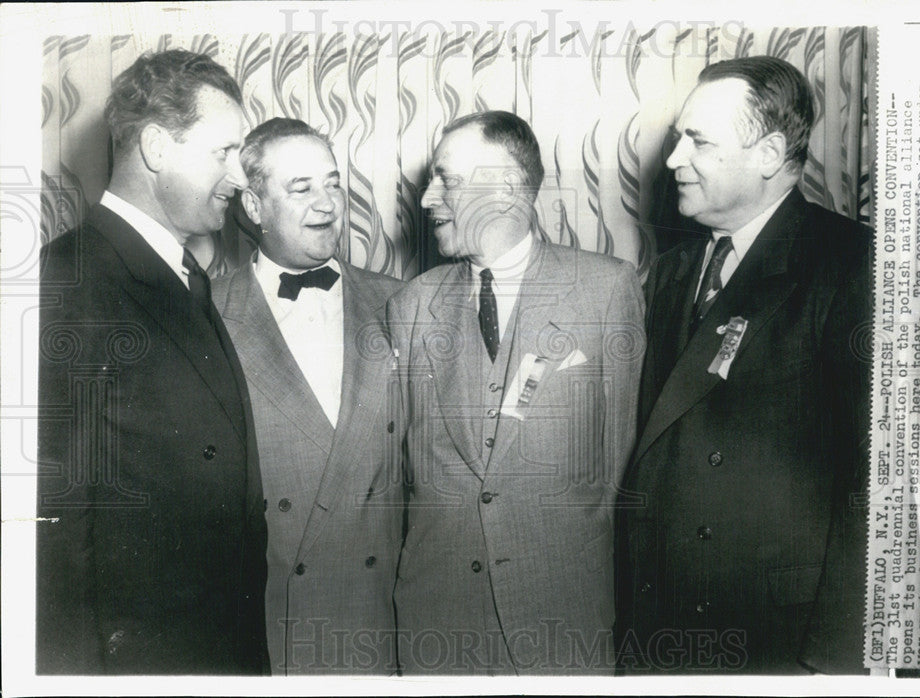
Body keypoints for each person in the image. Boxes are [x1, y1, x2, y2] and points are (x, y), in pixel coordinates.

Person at [616, 56, 872, 674]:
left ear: (768, 153)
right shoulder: (672, 272)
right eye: (679, 138)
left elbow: (874, 490)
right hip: (660, 629)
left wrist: (833, 664)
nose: (673, 158)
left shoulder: (852, 265)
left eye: (697, 140)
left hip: (772, 641)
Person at [387, 110, 645, 675]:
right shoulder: (409, 306)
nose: (428, 198)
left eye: (446, 180)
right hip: (439, 623)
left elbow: (618, 465)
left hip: (562, 618)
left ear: (505, 185)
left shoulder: (606, 290)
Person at [36, 49, 268, 673]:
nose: (240, 179)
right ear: (159, 147)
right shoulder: (72, 279)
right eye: (224, 153)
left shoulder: (178, 273)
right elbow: (56, 528)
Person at [211, 118, 404, 675]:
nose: (327, 204)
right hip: (273, 627)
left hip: (384, 623)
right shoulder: (205, 316)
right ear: (252, 205)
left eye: (333, 183)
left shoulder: (404, 304)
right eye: (301, 188)